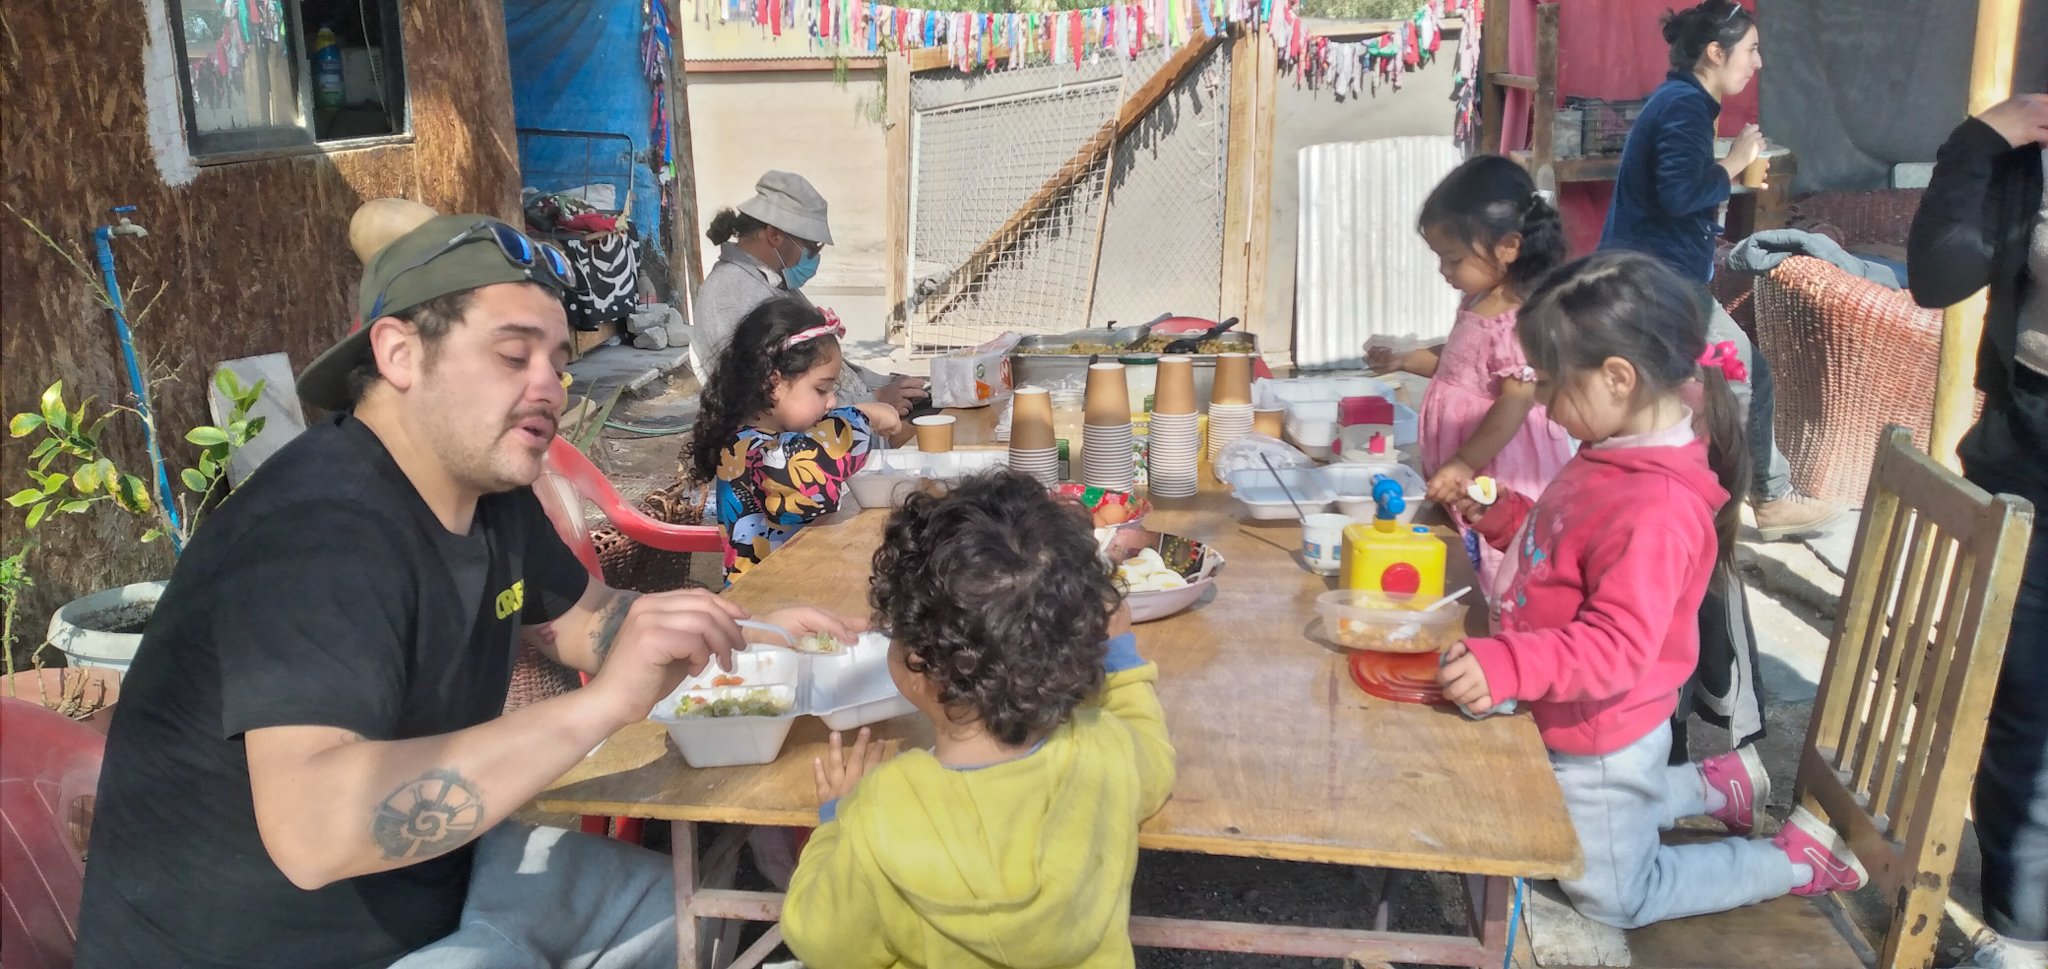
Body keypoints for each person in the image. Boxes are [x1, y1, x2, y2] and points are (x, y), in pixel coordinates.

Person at [73, 215, 858, 969]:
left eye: (558, 359)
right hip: (277, 948)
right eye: (514, 356)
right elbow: (314, 830)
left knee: (699, 913)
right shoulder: (314, 536)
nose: (549, 384)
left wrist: (742, 630)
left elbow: (591, 623)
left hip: (437, 886)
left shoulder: (489, 491)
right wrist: (597, 705)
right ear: (399, 354)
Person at [1436, 251, 1867, 929]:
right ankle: (1711, 785)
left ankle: (1792, 861)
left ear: (1617, 377)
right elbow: (1566, 554)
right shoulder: (1609, 452)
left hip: (1601, 733)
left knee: (1613, 894)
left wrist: (1510, 662)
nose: (1541, 403)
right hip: (1575, 717)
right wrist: (1503, 519)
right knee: (1557, 798)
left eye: (1549, 385)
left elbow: (1616, 647)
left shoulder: (1654, 506)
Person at [780, 472, 1176, 967]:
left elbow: (820, 941)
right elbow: (1153, 754)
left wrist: (835, 822)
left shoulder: (879, 810)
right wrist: (1116, 655)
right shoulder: (1104, 754)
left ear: (916, 663)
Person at [1598, 0, 1844, 543]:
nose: (1757, 63)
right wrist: (1733, 163)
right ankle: (1770, 501)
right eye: (1751, 50)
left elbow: (1680, 188)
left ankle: (1682, 502)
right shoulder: (1685, 106)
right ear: (1715, 52)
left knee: (1671, 390)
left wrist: (1727, 175)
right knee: (1744, 375)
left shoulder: (1682, 101)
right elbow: (1680, 193)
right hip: (1657, 280)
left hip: (1645, 274)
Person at [1908, 92, 2048, 969]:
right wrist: (1977, 142)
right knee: (2023, 701)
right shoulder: (2026, 151)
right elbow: (1939, 275)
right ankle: (2023, 927)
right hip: (2029, 450)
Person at [1368, 154, 1578, 596]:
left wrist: (1464, 462)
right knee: (1467, 543)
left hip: (1502, 465)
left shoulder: (1519, 318)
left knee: (1502, 551)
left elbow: (1515, 400)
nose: (1444, 271)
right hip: (1471, 459)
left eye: (1453, 258)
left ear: (1509, 246)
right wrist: (1406, 359)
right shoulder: (1478, 300)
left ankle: (1499, 617)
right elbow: (1460, 363)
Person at [689, 296, 905, 583]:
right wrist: (864, 415)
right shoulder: (745, 450)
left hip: (793, 588)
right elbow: (809, 470)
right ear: (773, 384)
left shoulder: (780, 439)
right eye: (821, 389)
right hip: (760, 605)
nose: (832, 402)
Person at [691, 170, 928, 417]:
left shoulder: (773, 284)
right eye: (811, 247)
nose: (814, 257)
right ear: (775, 235)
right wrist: (869, 403)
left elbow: (825, 366)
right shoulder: (733, 296)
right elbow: (775, 400)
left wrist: (885, 384)